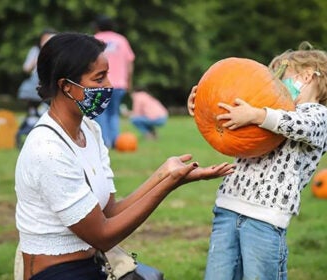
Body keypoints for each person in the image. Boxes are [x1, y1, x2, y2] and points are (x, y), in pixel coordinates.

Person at [14, 32, 236, 280]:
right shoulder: (48, 150)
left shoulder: (90, 129)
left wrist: (163, 174)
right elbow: (102, 235)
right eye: (99, 78)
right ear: (66, 86)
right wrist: (169, 186)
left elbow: (109, 213)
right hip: (56, 273)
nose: (109, 84)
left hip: (92, 263)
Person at [187, 42, 327, 280]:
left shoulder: (319, 116)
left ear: (307, 76)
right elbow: (237, 137)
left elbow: (296, 125)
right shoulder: (269, 114)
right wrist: (204, 107)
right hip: (228, 207)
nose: (276, 88)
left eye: (282, 79)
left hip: (266, 219)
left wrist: (256, 114)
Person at [93, 15, 135, 148]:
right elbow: (129, 63)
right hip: (119, 84)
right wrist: (129, 81)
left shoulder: (94, 40)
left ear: (97, 26)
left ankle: (105, 143)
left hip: (99, 83)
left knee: (101, 113)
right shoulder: (121, 40)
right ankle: (117, 141)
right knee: (113, 113)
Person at [16, 28, 57, 149]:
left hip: (51, 88)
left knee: (46, 113)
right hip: (35, 88)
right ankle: (27, 135)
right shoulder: (35, 51)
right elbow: (26, 68)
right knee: (33, 114)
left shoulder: (59, 52)